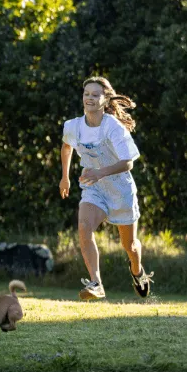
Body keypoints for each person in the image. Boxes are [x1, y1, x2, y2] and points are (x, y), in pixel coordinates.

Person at [60, 76, 154, 301]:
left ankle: (137, 270)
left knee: (129, 245)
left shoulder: (113, 126)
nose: (89, 98)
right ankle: (96, 283)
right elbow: (66, 147)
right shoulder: (74, 126)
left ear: (105, 100)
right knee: (84, 226)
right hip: (94, 189)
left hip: (120, 190)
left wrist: (99, 172)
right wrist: (65, 177)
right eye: (86, 94)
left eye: (95, 95)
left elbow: (128, 162)